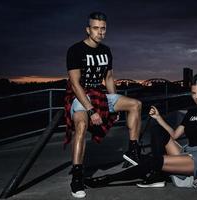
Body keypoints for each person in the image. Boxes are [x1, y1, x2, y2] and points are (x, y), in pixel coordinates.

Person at [84, 73, 197, 189]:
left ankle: (107, 180)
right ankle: (157, 175)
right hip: (186, 152)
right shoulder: (191, 112)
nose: (196, 97)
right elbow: (175, 135)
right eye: (193, 93)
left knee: (154, 161)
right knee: (157, 130)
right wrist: (159, 117)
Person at [65, 11, 142, 198]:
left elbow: (108, 77)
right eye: (96, 28)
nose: (100, 32)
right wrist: (92, 111)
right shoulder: (75, 50)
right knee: (81, 125)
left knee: (136, 104)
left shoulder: (106, 50)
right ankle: (77, 177)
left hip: (100, 94)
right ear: (88, 29)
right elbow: (75, 84)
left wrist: (113, 105)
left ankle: (132, 151)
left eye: (103, 29)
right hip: (81, 95)